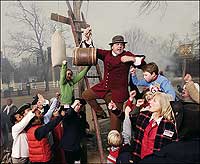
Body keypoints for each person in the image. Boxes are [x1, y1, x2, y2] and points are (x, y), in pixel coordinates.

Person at [82, 27, 146, 131]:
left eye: (121, 44)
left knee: (115, 123)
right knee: (86, 95)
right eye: (117, 44)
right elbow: (93, 51)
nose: (120, 46)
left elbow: (142, 62)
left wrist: (132, 59)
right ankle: (100, 113)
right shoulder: (106, 54)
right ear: (112, 46)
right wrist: (87, 38)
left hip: (118, 93)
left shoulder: (127, 54)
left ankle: (115, 145)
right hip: (104, 87)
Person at [60, 98, 88, 164]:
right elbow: (67, 116)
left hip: (77, 144)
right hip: (69, 145)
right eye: (77, 105)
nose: (78, 107)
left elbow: (83, 125)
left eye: (80, 105)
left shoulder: (82, 114)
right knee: (69, 161)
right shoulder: (69, 113)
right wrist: (73, 106)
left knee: (78, 160)